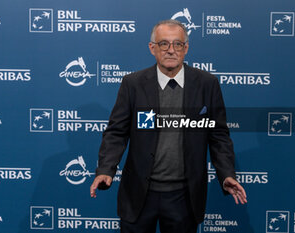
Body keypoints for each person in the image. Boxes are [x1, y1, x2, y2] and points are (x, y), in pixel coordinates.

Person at [90, 19, 247, 233]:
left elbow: (218, 135)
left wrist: (227, 174)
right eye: (164, 44)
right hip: (139, 193)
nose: (171, 50)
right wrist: (106, 169)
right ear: (152, 48)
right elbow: (117, 132)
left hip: (184, 196)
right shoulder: (133, 84)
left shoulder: (207, 84)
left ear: (186, 48)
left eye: (178, 44)